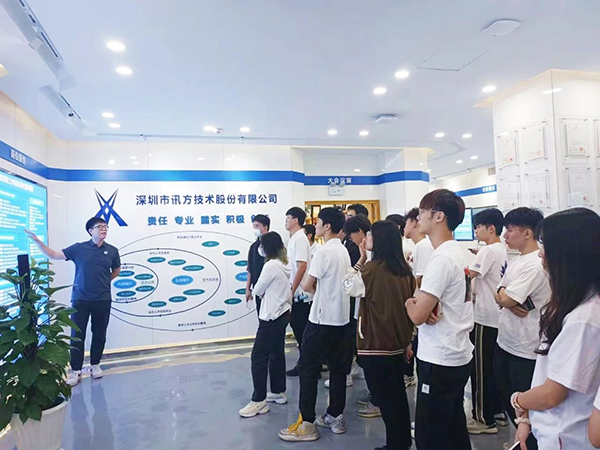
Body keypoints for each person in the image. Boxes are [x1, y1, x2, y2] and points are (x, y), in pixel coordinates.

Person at [509, 208, 600, 450]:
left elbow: (553, 393)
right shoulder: (573, 302)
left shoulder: (585, 317)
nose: (541, 254)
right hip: (552, 429)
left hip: (568, 437)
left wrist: (518, 400)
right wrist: (526, 418)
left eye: (546, 246)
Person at [405, 189, 474, 450]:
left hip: (440, 357)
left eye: (423, 211)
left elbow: (418, 315)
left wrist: (409, 302)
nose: (418, 217)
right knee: (453, 428)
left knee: (430, 434)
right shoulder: (457, 252)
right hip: (457, 351)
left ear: (439, 217)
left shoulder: (441, 258)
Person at [279, 207, 351, 442]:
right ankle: (335, 415)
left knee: (308, 369)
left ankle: (307, 424)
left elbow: (307, 284)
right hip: (341, 319)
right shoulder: (342, 250)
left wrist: (319, 293)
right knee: (338, 370)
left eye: (318, 221)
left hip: (321, 320)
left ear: (327, 226)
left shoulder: (323, 251)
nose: (315, 225)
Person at [345, 220, 416, 450]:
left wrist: (361, 259)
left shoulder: (371, 270)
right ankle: (400, 442)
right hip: (398, 343)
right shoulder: (405, 271)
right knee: (397, 397)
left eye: (370, 235)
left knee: (386, 399)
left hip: (375, 344)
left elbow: (347, 286)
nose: (367, 238)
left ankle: (396, 445)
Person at [25, 217, 121, 387]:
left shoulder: (112, 250)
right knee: (77, 335)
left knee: (99, 334)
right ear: (90, 231)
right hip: (80, 299)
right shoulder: (79, 248)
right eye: (100, 227)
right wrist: (39, 243)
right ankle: (75, 370)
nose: (104, 229)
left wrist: (104, 281)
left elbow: (116, 270)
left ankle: (95, 365)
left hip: (103, 299)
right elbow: (54, 254)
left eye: (106, 226)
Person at [494, 207, 551, 440]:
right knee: (507, 396)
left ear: (527, 233)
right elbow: (500, 293)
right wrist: (504, 297)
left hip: (526, 349)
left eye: (509, 230)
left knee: (526, 410)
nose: (505, 235)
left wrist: (504, 297)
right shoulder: (516, 260)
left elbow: (506, 298)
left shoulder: (536, 264)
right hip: (506, 341)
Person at [239, 232, 293, 418]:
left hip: (271, 316)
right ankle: (278, 391)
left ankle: (259, 400)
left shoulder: (270, 266)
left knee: (258, 357)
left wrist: (258, 291)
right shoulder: (284, 264)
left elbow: (258, 289)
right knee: (276, 353)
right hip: (282, 313)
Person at [467, 208, 509, 435]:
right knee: (493, 369)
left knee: (480, 370)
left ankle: (483, 419)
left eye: (478, 227)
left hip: (484, 318)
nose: (475, 231)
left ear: (491, 228)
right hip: (498, 318)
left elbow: (467, 276)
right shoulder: (501, 249)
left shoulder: (487, 251)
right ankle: (498, 411)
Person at [403, 207, 435, 389]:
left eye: (406, 223)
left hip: (420, 307)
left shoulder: (423, 246)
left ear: (414, 223)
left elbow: (421, 281)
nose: (404, 227)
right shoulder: (419, 247)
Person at [284, 207, 312, 377]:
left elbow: (302, 266)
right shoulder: (294, 238)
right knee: (298, 329)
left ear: (295, 220)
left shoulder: (300, 238)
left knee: (302, 331)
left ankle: (308, 367)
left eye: (288, 218)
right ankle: (304, 365)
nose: (286, 221)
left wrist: (292, 290)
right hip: (296, 293)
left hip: (301, 295)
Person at [245, 214, 270, 316]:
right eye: (253, 226)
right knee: (261, 316)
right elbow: (250, 269)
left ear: (265, 227)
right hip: (258, 288)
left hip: (271, 289)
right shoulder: (253, 247)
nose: (255, 229)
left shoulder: (274, 244)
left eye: (257, 226)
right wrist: (248, 289)